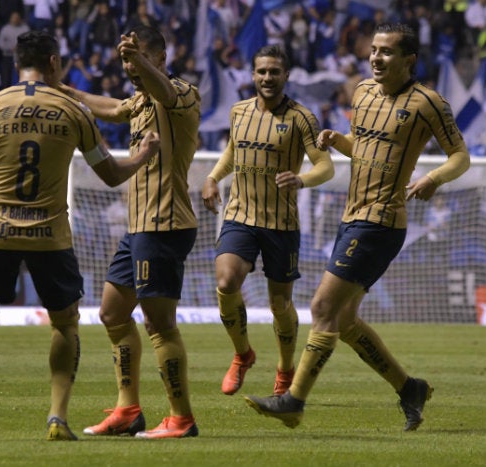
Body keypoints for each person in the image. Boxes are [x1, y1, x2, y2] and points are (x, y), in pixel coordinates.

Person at [244, 23, 470, 432]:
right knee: (344, 321)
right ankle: (409, 387)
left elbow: (460, 156)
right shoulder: (363, 92)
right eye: (374, 50)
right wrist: (339, 141)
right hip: (352, 216)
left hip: (382, 220)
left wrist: (434, 178)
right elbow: (364, 146)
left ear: (409, 61)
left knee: (321, 308)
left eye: (387, 52)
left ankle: (293, 400)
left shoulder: (428, 102)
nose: (376, 58)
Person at [0, 30, 161, 442]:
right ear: (54, 63)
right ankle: (57, 416)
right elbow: (111, 175)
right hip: (50, 237)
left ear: (16, 64)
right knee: (64, 325)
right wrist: (142, 158)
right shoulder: (72, 112)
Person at [59, 25, 201, 439]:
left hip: (166, 224)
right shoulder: (139, 102)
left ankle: (181, 418)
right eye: (125, 60)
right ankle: (128, 410)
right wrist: (66, 91)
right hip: (139, 227)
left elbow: (167, 93)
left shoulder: (182, 93)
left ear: (160, 58)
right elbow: (111, 108)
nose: (128, 66)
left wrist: (137, 60)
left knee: (160, 325)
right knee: (112, 313)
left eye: (137, 57)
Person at [201, 45, 334, 397]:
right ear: (252, 74)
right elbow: (233, 151)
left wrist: (301, 179)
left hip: (281, 223)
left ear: (286, 75)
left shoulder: (302, 117)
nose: (267, 78)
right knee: (227, 281)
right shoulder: (239, 112)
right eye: (261, 71)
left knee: (280, 304)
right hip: (240, 215)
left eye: (274, 71)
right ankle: (242, 354)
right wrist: (214, 177)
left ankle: (286, 368)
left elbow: (326, 165)